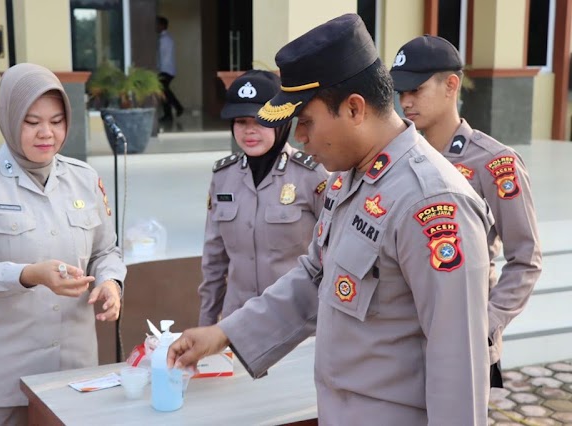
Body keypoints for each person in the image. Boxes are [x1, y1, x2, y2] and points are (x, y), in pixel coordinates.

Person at [168, 14, 494, 425]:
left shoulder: (430, 202)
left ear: (354, 108)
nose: (299, 138)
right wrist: (224, 333)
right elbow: (315, 276)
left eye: (305, 122)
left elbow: (458, 366)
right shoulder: (352, 179)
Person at [0, 63, 126, 426]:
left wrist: (110, 282)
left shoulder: (84, 179)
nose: (47, 133)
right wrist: (29, 275)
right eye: (32, 122)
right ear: (10, 119)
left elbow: (107, 251)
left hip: (71, 373)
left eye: (57, 121)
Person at [389, 35, 542, 388]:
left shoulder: (494, 163)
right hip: (405, 342)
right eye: (400, 93)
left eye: (416, 89)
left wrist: (485, 325)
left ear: (451, 85)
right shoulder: (399, 158)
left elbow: (526, 258)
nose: (406, 102)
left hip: (465, 344)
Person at [199, 70, 329, 326]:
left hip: (297, 324)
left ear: (281, 122)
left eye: (260, 121)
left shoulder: (312, 175)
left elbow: (333, 254)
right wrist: (206, 326)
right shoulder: (223, 176)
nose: (249, 131)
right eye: (240, 121)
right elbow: (214, 262)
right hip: (238, 324)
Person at [156, 15, 184, 121]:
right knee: (165, 91)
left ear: (162, 26)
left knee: (164, 92)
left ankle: (175, 110)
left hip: (165, 69)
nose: (155, 27)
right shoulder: (166, 38)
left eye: (157, 24)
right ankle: (173, 111)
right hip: (166, 69)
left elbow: (161, 56)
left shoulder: (164, 39)